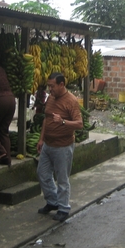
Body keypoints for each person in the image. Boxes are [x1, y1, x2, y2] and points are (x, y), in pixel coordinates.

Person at [36, 72, 83, 222]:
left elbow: (79, 124)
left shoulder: (71, 101)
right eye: (49, 86)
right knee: (42, 173)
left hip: (63, 146)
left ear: (61, 84)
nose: (50, 89)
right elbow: (46, 119)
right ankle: (52, 201)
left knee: (62, 179)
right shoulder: (50, 98)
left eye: (52, 86)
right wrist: (41, 139)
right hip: (48, 145)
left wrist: (63, 122)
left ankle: (63, 208)